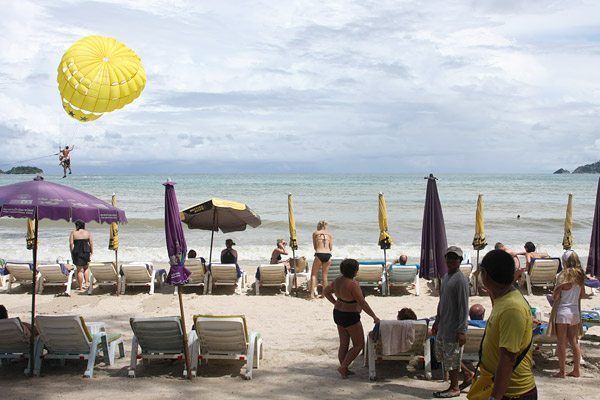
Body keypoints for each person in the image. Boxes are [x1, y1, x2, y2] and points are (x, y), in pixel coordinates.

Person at [472, 249, 536, 400]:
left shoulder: (512, 308)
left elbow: (508, 358)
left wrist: (495, 397)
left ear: (485, 275)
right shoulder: (503, 299)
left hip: (513, 393)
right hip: (501, 389)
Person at [323, 258, 380, 379]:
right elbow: (362, 303)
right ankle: (343, 367)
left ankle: (344, 368)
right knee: (358, 345)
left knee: (343, 344)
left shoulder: (338, 280)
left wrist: (335, 302)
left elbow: (326, 292)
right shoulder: (353, 284)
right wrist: (374, 316)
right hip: (350, 316)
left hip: (338, 313)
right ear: (355, 271)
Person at [432, 246, 470, 398]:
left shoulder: (461, 281)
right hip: (443, 324)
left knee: (452, 359)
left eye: (454, 258)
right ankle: (468, 374)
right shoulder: (445, 277)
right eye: (449, 257)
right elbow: (442, 302)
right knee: (446, 356)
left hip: (454, 328)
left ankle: (454, 387)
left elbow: (463, 307)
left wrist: (462, 330)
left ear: (460, 260)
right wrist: (437, 320)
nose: (451, 261)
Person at [547, 251, 585, 378]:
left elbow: (556, 297)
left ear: (565, 261)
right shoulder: (580, 275)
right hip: (575, 311)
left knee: (561, 342)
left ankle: (562, 372)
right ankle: (576, 370)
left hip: (563, 311)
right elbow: (582, 295)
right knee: (574, 342)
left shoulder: (563, 276)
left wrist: (554, 293)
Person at [309, 220, 333, 300]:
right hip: (328, 255)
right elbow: (331, 248)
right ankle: (324, 295)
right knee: (324, 276)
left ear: (319, 226)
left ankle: (312, 295)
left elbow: (315, 247)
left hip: (319, 254)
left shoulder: (315, 233)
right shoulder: (329, 234)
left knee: (313, 275)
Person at [70, 220, 93, 291]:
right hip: (86, 251)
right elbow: (91, 243)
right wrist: (92, 252)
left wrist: (72, 252)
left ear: (77, 226)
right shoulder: (87, 233)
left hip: (77, 251)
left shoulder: (73, 233)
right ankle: (86, 283)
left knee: (79, 270)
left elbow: (71, 244)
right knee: (86, 268)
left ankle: (80, 287)